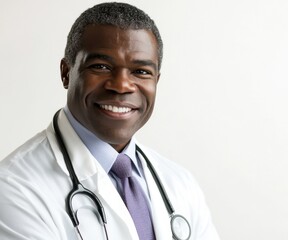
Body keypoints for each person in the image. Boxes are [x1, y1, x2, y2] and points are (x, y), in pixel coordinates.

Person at [0, 2, 220, 240]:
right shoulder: (14, 188)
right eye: (101, 66)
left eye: (141, 71)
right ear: (66, 72)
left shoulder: (179, 184)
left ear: (157, 80)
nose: (121, 85)